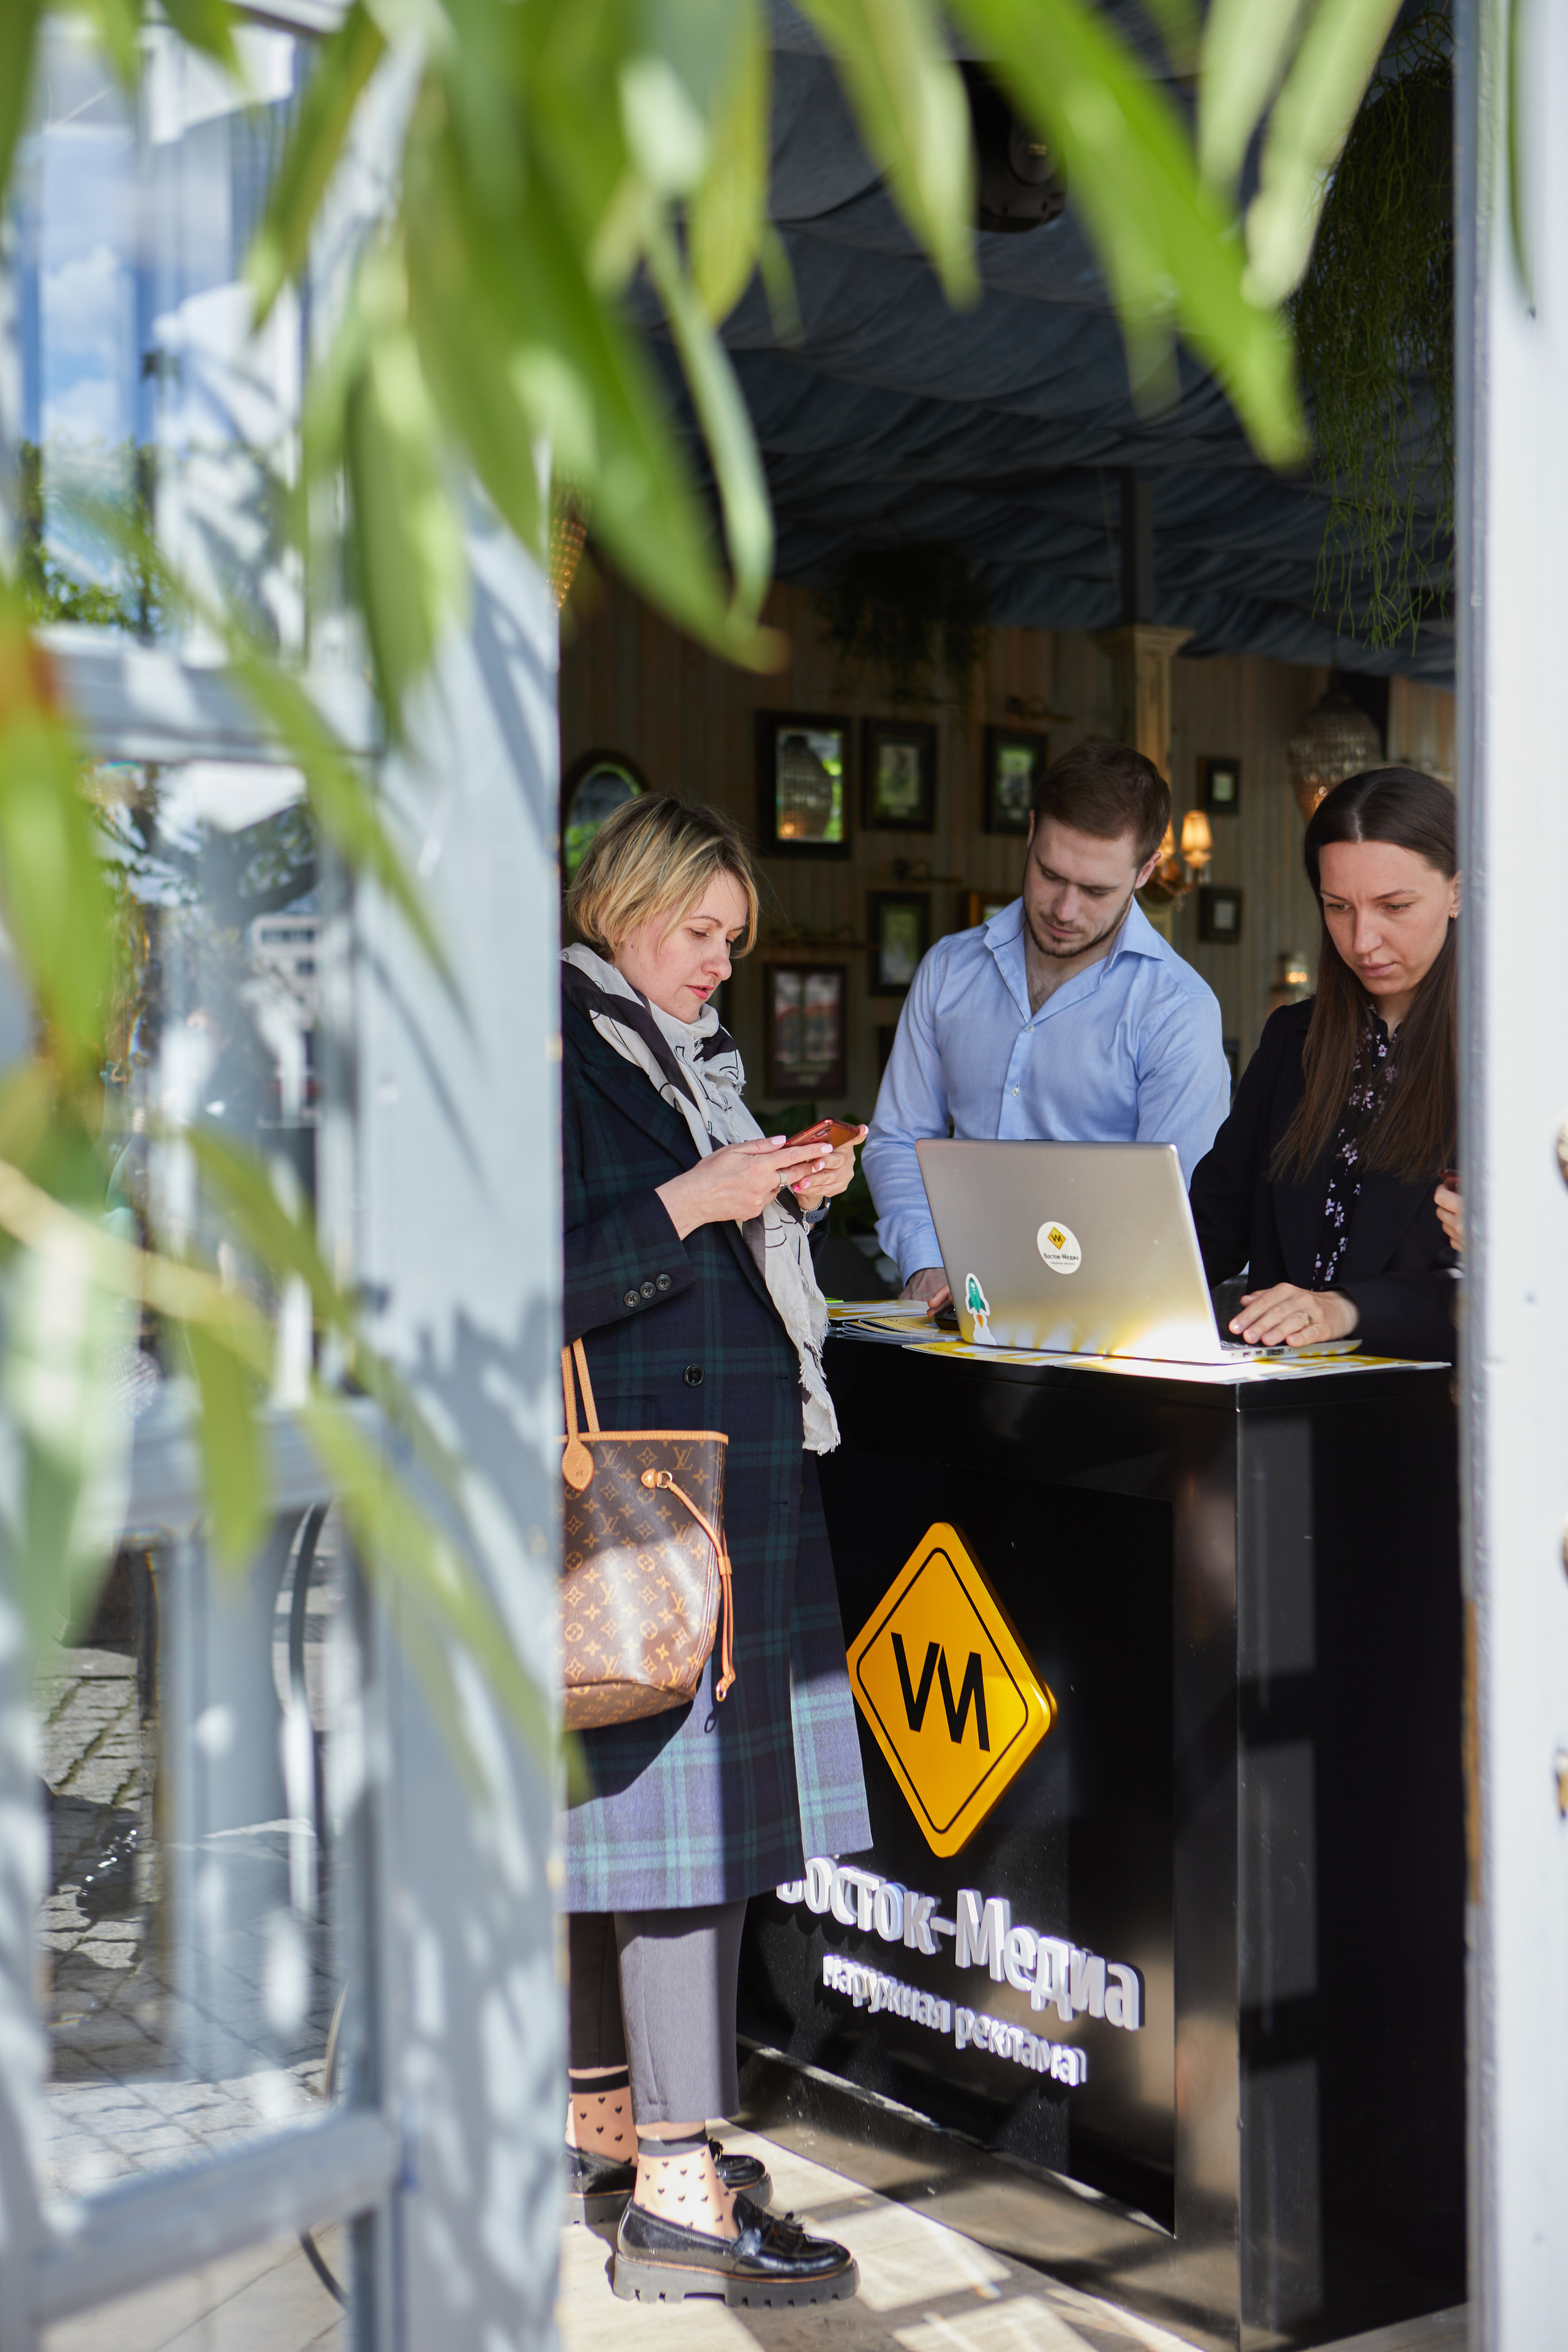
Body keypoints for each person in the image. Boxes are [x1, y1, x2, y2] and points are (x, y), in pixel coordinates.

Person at [559, 793, 870, 2306]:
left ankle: (608, 2127)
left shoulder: (669, 1053)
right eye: (697, 932)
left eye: (733, 943)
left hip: (701, 1485)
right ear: (621, 902)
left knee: (626, 1817)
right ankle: (679, 2190)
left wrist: (777, 1196)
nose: (717, 966)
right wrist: (704, 1195)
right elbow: (512, 1273)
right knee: (678, 1839)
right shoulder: (553, 1043)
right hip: (646, 1494)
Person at [864, 740, 1231, 1309]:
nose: (1064, 909)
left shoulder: (1177, 1011)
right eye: (1050, 874)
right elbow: (898, 1139)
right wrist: (927, 1263)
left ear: (1147, 870)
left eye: (1095, 890)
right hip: (948, 1316)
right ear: (1032, 831)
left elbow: (1176, 1208)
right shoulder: (948, 970)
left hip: (1101, 1330)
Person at [1190, 766, 1460, 1358]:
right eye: (1338, 907)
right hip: (1278, 1411)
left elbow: (1492, 1294)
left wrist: (1346, 1308)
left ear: (1459, 890)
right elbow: (1210, 1226)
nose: (1362, 940)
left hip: (1427, 1418)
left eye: (1394, 906)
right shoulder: (1294, 1038)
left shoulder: (1509, 1059)